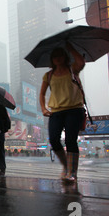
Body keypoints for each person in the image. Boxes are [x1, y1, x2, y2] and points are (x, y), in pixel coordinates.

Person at [39, 42, 85, 183]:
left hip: (74, 109)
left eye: (60, 55)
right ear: (52, 59)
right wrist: (43, 108)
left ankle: (72, 173)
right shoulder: (49, 75)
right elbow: (42, 94)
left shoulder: (73, 70)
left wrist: (71, 47)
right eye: (55, 56)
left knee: (70, 140)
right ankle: (66, 166)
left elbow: (81, 62)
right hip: (56, 111)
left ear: (65, 57)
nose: (58, 58)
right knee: (53, 139)